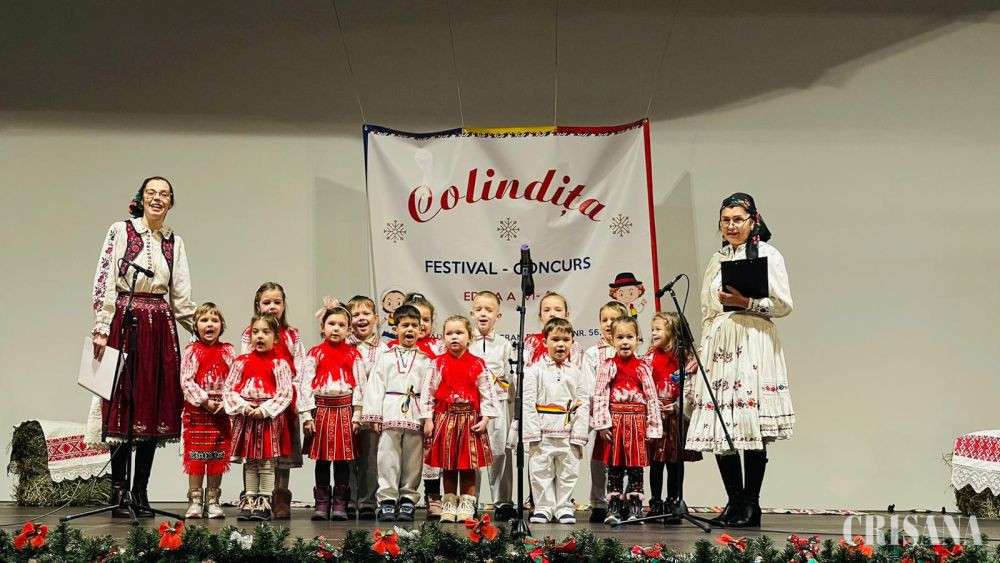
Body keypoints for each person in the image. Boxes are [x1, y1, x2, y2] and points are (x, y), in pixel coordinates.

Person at [88, 176, 197, 518]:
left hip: (160, 325)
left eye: (164, 194)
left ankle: (141, 491)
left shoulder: (174, 241)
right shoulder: (121, 230)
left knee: (152, 406)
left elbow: (181, 296)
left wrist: (201, 331)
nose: (157, 198)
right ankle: (119, 491)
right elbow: (105, 278)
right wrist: (102, 326)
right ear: (141, 198)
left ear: (171, 203)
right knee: (122, 404)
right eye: (151, 192)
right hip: (125, 318)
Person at [685, 192, 794, 528]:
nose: (731, 226)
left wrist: (747, 302)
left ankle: (751, 505)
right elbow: (708, 310)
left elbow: (784, 305)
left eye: (737, 220)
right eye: (726, 220)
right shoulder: (717, 259)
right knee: (722, 422)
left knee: (750, 423)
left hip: (753, 342)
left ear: (753, 221)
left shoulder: (768, 254)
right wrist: (702, 350)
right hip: (720, 345)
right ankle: (733, 503)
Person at [420, 315, 500, 523]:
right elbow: (428, 392)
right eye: (449, 333)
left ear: (469, 337)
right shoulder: (437, 364)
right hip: (445, 419)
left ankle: (466, 504)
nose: (454, 337)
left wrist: (486, 419)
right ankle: (449, 503)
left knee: (468, 465)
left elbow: (487, 393)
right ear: (443, 338)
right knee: (448, 465)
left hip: (470, 421)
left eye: (459, 333)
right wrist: (428, 419)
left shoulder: (477, 364)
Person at [240, 282, 306, 519]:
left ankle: (279, 496)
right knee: (256, 451)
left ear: (284, 305)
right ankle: (253, 497)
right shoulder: (250, 333)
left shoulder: (292, 335)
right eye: (267, 302)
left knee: (282, 451)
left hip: (284, 401)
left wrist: (290, 395)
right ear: (258, 305)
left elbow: (301, 367)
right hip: (257, 402)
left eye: (277, 302)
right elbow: (245, 363)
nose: (272, 307)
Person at [362, 305, 432, 522]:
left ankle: (408, 498)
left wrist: (428, 416)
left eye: (414, 326)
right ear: (396, 328)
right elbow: (376, 386)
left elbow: (429, 389)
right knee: (387, 457)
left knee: (413, 458)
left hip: (415, 413)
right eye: (405, 325)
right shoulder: (386, 357)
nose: (410, 329)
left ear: (420, 329)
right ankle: (387, 500)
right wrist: (374, 415)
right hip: (390, 411)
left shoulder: (426, 360)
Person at [591, 317, 662, 525]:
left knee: (635, 468)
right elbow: (600, 395)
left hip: (637, 424)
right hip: (615, 423)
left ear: (637, 339)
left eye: (629, 337)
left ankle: (635, 508)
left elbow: (651, 397)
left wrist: (652, 427)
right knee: (614, 467)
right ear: (612, 340)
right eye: (620, 337)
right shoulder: (608, 366)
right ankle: (613, 508)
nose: (625, 342)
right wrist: (602, 424)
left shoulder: (642, 367)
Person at [224, 314, 294, 521]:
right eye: (255, 332)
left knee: (266, 463)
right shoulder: (241, 362)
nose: (260, 336)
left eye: (266, 332)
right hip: (247, 417)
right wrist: (244, 407)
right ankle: (250, 499)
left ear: (276, 338)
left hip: (268, 419)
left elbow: (285, 393)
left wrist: (264, 410)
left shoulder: (280, 364)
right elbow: (229, 389)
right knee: (251, 462)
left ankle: (264, 502)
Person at [300, 306, 366, 521]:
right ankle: (321, 503)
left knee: (342, 460)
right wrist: (307, 416)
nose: (336, 329)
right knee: (322, 460)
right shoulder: (314, 354)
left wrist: (357, 416)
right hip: (320, 412)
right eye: (331, 324)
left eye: (341, 325)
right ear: (322, 326)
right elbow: (305, 385)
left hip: (345, 411)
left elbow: (360, 386)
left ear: (349, 330)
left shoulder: (353, 355)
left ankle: (340, 503)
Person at [522, 318, 590, 524]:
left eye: (566, 340)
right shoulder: (535, 370)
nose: (561, 344)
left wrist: (579, 433)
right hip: (543, 430)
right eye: (555, 339)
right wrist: (533, 432)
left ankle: (563, 507)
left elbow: (582, 402)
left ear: (572, 343)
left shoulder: (576, 372)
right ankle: (543, 507)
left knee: (568, 470)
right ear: (545, 342)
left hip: (567, 431)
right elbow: (528, 402)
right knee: (540, 469)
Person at [179, 303, 236, 519]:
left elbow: (235, 378)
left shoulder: (228, 351)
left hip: (221, 413)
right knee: (195, 457)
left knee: (217, 456)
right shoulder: (192, 351)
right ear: (195, 326)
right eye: (204, 320)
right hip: (197, 413)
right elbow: (187, 380)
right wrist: (205, 401)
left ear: (222, 326)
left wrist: (226, 402)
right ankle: (195, 500)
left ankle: (213, 500)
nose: (209, 324)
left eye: (214, 320)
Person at [645, 312, 702, 524]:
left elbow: (691, 387)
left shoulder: (685, 359)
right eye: (653, 329)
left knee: (674, 462)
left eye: (658, 329)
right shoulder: (649, 358)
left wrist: (677, 406)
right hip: (656, 416)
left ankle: (674, 502)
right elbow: (645, 385)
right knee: (656, 462)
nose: (653, 333)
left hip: (675, 417)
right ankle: (655, 503)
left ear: (672, 332)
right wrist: (652, 406)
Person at [468, 291, 516, 521]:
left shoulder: (504, 344)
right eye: (479, 309)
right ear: (472, 314)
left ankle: (503, 501)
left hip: (498, 404)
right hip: (472, 405)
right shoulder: (467, 341)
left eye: (489, 310)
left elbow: (510, 377)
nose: (483, 314)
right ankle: (471, 499)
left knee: (500, 451)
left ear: (498, 316)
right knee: (472, 452)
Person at [580, 301, 630, 522]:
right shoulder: (593, 353)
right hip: (601, 415)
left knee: (625, 460)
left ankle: (624, 501)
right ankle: (599, 503)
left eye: (614, 319)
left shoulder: (629, 350)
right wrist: (601, 415)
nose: (609, 324)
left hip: (625, 415)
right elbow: (589, 386)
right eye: (604, 320)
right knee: (599, 460)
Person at [402, 292, 447, 518]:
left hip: (431, 409)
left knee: (431, 454)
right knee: (405, 454)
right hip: (404, 409)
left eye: (426, 320)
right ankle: (404, 497)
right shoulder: (395, 347)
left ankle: (433, 496)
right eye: (414, 320)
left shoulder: (439, 347)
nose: (420, 325)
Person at [346, 295, 390, 520]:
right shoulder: (343, 346)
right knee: (347, 457)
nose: (361, 318)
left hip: (372, 411)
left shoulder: (384, 349)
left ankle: (368, 502)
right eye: (355, 315)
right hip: (346, 410)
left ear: (376, 318)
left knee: (370, 457)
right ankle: (348, 500)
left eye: (366, 314)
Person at [521, 292, 583, 368]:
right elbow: (523, 369)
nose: (552, 314)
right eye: (547, 310)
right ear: (540, 316)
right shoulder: (533, 341)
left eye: (558, 310)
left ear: (566, 315)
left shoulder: (574, 346)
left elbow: (577, 371)